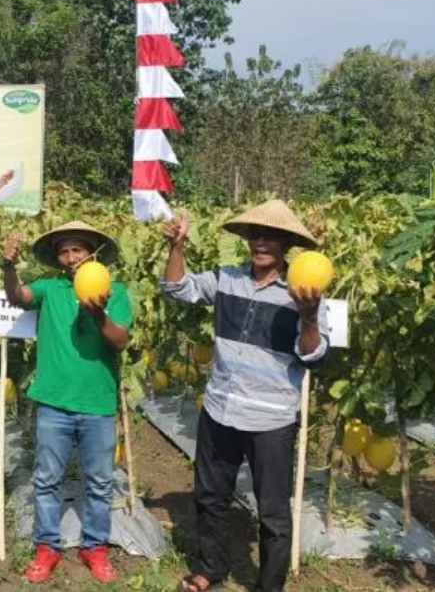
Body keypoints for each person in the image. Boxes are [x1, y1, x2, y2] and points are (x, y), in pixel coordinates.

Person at [160, 201, 328, 592]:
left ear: (287, 245)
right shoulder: (227, 279)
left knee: (272, 514)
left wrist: (308, 317)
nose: (262, 242)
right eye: (255, 235)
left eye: (271, 236)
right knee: (210, 497)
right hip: (220, 410)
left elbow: (314, 357)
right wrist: (176, 247)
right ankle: (211, 570)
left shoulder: (306, 293)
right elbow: (176, 289)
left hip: (272, 420)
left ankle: (269, 586)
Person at [1, 220, 132, 585]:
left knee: (99, 481)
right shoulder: (50, 288)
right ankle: (47, 546)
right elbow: (17, 298)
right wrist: (8, 267)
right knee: (46, 480)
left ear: (94, 253)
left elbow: (119, 341)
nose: (71, 257)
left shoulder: (115, 292)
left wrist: (97, 313)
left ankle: (94, 546)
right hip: (54, 403)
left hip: (97, 404)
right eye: (64, 250)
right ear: (57, 258)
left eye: (78, 249)